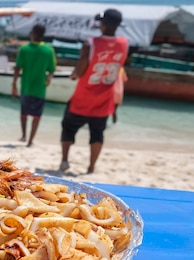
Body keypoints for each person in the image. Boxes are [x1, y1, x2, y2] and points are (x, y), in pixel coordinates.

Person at [59, 8, 128, 174]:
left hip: (83, 97)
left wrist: (74, 75)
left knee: (68, 127)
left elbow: (80, 70)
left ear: (102, 24)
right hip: (105, 99)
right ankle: (91, 167)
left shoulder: (90, 43)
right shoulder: (124, 43)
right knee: (97, 133)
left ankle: (65, 161)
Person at [12, 24, 56, 147]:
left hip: (26, 87)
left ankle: (23, 135)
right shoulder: (49, 50)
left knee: (24, 114)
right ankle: (31, 140)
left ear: (33, 33)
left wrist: (14, 84)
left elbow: (17, 68)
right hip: (40, 89)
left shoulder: (24, 49)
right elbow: (51, 70)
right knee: (37, 116)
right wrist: (48, 80)